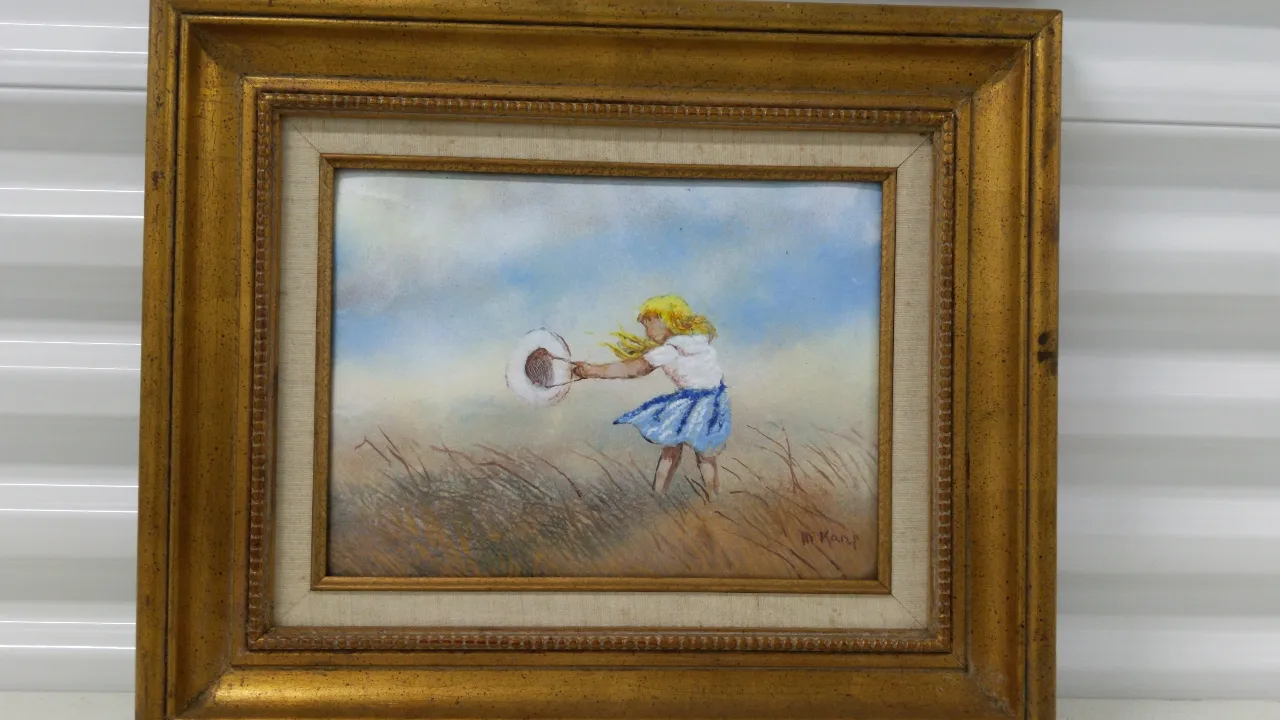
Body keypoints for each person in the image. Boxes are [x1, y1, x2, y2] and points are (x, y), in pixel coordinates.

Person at [573, 295, 730, 495]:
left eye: (649, 323)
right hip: (714, 401)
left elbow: (635, 368)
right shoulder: (698, 342)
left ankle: (659, 494)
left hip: (692, 403)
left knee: (671, 450)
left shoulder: (670, 349)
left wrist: (593, 371)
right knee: (705, 454)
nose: (647, 331)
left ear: (667, 320)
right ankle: (713, 498)